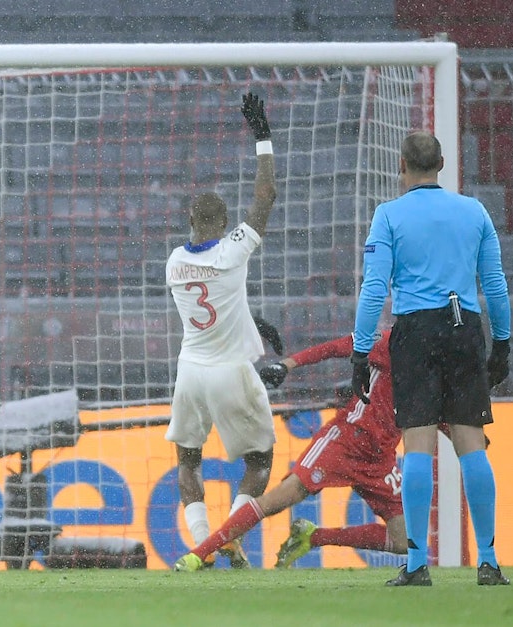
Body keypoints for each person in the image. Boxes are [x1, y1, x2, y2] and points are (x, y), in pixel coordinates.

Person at [355, 132, 512, 587]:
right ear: (441, 163)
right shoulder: (474, 211)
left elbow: (373, 290)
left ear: (401, 165)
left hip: (416, 332)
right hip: (463, 327)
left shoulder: (388, 215)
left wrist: (360, 349)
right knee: (471, 442)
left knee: (417, 443)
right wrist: (501, 341)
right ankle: (488, 561)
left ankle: (418, 563)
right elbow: (495, 284)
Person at [163, 93, 279, 569]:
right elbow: (266, 196)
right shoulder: (233, 252)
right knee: (259, 462)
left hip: (190, 370)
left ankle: (200, 544)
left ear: (190, 221)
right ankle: (229, 538)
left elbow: (213, 302)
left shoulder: (174, 262)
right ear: (227, 225)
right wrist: (263, 138)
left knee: (188, 459)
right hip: (231, 371)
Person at [173, 334, 405, 571]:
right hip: (346, 441)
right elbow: (335, 347)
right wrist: (286, 364)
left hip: (381, 460)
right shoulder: (392, 342)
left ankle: (313, 537)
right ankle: (199, 555)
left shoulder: (436, 367)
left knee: (406, 539)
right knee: (279, 499)